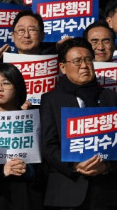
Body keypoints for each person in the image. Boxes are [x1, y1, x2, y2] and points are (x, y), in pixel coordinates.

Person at [40, 38, 117, 209]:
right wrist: (74, 165)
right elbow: (48, 146)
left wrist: (107, 166)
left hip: (108, 192)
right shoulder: (51, 100)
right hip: (67, 191)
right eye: (77, 61)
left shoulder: (110, 97)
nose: (84, 65)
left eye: (88, 59)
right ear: (62, 67)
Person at [0, 63, 39, 210]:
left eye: (6, 83)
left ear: (17, 87)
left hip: (26, 196)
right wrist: (2, 171)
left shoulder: (33, 119)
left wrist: (28, 169)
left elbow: (45, 164)